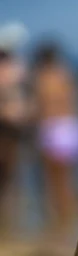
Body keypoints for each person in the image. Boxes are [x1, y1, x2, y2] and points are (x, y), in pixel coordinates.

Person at [32, 42, 78, 237]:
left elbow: (40, 107)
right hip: (74, 128)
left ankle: (59, 229)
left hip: (53, 129)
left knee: (53, 183)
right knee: (70, 182)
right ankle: (70, 226)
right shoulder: (67, 74)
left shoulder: (42, 77)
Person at [0, 46, 29, 233]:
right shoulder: (16, 72)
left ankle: (9, 223)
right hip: (9, 129)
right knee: (9, 178)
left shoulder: (15, 73)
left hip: (13, 132)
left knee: (11, 178)